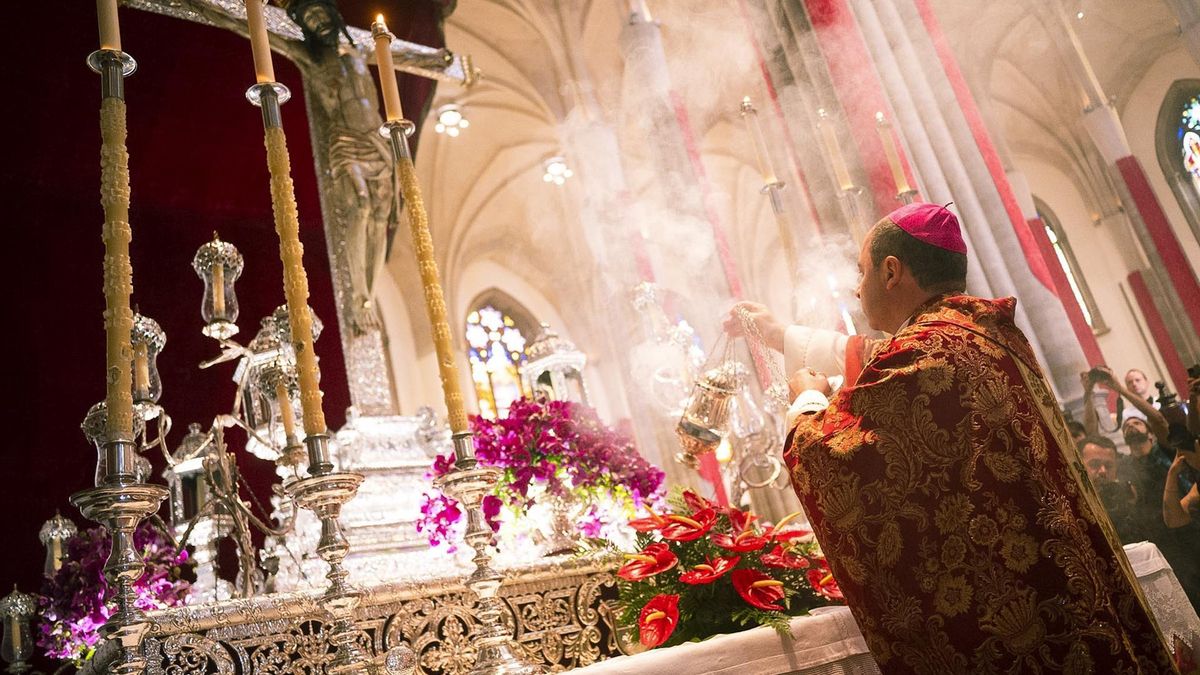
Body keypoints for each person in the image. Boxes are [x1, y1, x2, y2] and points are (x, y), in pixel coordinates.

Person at [773, 203, 1174, 672]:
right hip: (1063, 586)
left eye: (860, 273)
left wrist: (807, 402)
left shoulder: (920, 353)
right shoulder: (990, 334)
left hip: (1015, 620)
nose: (855, 287)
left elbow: (831, 461)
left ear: (891, 271)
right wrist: (779, 333)